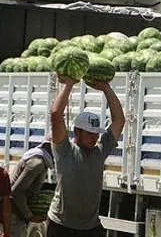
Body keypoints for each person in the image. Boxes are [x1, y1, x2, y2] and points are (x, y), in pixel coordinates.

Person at [47, 75, 125, 237]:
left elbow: (119, 120)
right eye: (90, 134)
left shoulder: (100, 151)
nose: (94, 138)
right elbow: (56, 114)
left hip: (90, 227)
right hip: (61, 225)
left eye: (96, 134)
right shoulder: (65, 150)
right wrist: (68, 85)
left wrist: (106, 88)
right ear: (76, 132)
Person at [9, 134, 55, 237]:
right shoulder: (36, 163)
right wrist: (30, 216)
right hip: (14, 212)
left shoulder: (41, 160)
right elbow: (16, 191)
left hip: (17, 211)